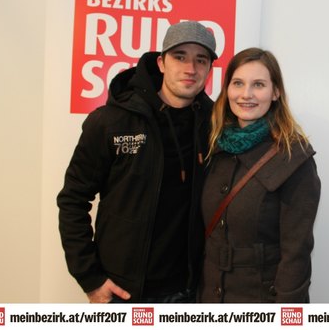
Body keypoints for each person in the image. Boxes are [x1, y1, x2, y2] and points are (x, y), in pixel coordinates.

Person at [57, 21, 217, 303]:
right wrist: (90, 277)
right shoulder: (111, 121)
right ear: (161, 63)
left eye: (200, 60)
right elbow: (73, 199)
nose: (190, 68)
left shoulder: (215, 126)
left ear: (209, 68)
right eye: (180, 57)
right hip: (123, 292)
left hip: (190, 292)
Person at [200, 47, 321, 303]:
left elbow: (296, 252)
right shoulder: (213, 147)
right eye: (238, 83)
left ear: (275, 92)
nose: (246, 94)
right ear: (227, 90)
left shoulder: (293, 157)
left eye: (258, 85)